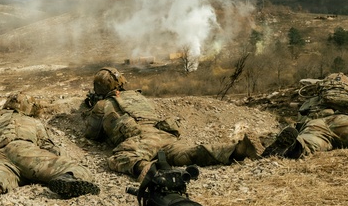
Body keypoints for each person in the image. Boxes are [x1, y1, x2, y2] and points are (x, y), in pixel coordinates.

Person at [83, 67, 265, 180]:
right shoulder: (137, 96)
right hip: (164, 135)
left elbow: (93, 134)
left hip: (141, 139)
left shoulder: (102, 105)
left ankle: (146, 169)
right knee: (189, 153)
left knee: (120, 157)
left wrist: (90, 109)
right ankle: (236, 150)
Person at [0, 96, 100, 206]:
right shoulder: (31, 121)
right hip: (21, 149)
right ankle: (69, 178)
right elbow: (48, 147)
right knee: (71, 167)